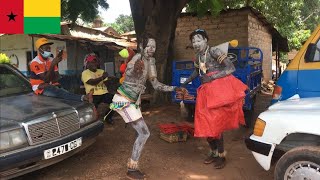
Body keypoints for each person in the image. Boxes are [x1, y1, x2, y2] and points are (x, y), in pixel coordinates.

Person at [110, 34, 183, 179]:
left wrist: (174, 88)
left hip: (134, 102)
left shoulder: (151, 61)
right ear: (142, 47)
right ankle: (132, 169)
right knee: (144, 133)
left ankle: (133, 164)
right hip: (125, 100)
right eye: (149, 46)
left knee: (140, 133)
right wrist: (134, 69)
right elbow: (129, 74)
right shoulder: (137, 58)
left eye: (154, 46)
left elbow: (156, 85)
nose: (151, 49)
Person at [181, 29, 247, 169]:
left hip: (219, 92)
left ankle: (222, 155)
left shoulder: (214, 51)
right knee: (205, 122)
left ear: (206, 40)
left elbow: (230, 68)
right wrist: (185, 82)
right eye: (193, 41)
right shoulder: (199, 56)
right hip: (206, 92)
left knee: (216, 124)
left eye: (199, 40)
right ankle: (214, 152)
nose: (196, 43)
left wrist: (212, 77)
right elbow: (197, 71)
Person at [29, 38, 93, 102]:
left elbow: (57, 77)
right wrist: (53, 65)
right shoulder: (35, 63)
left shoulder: (51, 59)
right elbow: (46, 79)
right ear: (40, 50)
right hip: (40, 88)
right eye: (46, 48)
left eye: (49, 48)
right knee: (61, 94)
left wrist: (49, 80)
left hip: (51, 85)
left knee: (65, 93)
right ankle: (83, 97)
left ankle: (83, 98)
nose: (48, 50)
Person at [81, 54, 115, 124]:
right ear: (87, 64)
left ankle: (108, 117)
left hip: (104, 93)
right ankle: (91, 122)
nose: (95, 64)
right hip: (93, 95)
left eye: (95, 62)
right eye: (92, 62)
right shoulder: (85, 73)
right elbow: (91, 82)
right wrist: (102, 77)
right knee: (92, 110)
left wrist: (109, 79)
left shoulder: (101, 71)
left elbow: (107, 83)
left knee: (117, 102)